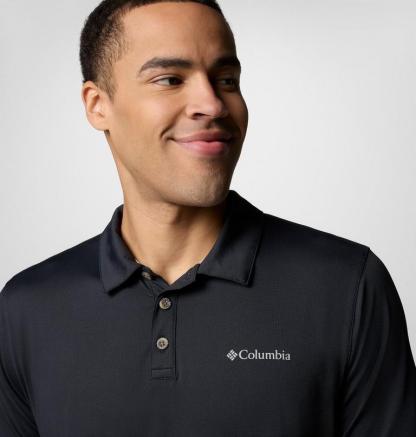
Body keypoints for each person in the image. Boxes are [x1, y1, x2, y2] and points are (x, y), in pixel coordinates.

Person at [1, 1, 415, 435]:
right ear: (97, 104)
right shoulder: (26, 309)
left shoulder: (348, 287)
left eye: (226, 80)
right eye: (170, 79)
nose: (213, 104)